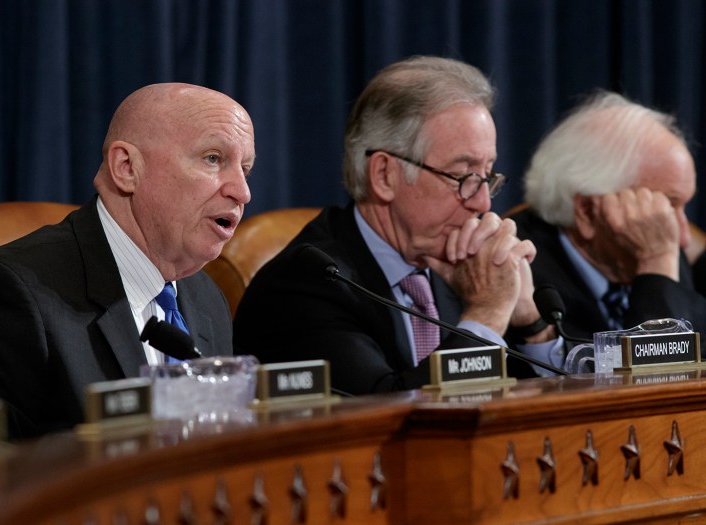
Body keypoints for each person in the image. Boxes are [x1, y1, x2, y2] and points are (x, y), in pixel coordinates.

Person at [0, 83, 255, 438]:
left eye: (245, 169)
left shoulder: (206, 297)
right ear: (126, 168)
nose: (241, 191)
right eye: (213, 159)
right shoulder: (4, 294)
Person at [233, 56, 561, 396]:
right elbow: (388, 413)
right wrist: (487, 313)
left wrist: (531, 324)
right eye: (463, 176)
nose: (483, 203)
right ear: (384, 175)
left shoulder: (462, 269)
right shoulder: (306, 283)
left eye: (487, 176)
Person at [509, 91, 706, 343]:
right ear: (588, 212)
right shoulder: (525, 272)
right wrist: (655, 261)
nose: (683, 238)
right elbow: (653, 377)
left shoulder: (664, 248)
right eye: (666, 207)